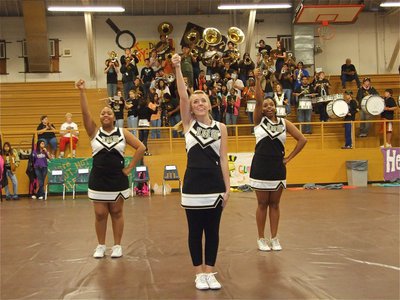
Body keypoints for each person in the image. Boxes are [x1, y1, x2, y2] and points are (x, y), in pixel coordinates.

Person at [172, 53, 230, 290]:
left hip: (215, 185)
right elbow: (182, 96)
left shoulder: (221, 127)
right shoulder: (188, 125)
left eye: (203, 100)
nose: (198, 103)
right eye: (195, 102)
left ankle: (210, 272)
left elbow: (224, 159)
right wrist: (177, 68)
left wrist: (228, 188)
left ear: (209, 104)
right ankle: (199, 273)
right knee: (195, 231)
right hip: (193, 186)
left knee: (213, 232)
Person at [76, 79, 145, 259]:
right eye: (102, 113)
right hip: (98, 178)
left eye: (108, 112)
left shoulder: (122, 133)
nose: (105, 114)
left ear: (114, 117)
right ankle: (100, 245)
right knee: (100, 214)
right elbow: (84, 113)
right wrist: (82, 91)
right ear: (100, 118)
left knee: (116, 212)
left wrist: (129, 168)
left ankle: (117, 246)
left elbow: (141, 148)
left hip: (117, 179)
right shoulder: (94, 132)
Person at [250, 68, 307, 252]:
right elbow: (258, 99)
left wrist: (289, 158)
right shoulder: (258, 121)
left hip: (277, 167)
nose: (267, 107)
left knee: (275, 204)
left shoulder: (284, 123)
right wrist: (258, 79)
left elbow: (302, 139)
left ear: (275, 107)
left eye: (270, 105)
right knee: (262, 204)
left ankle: (274, 238)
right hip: (260, 167)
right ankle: (261, 238)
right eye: (265, 105)